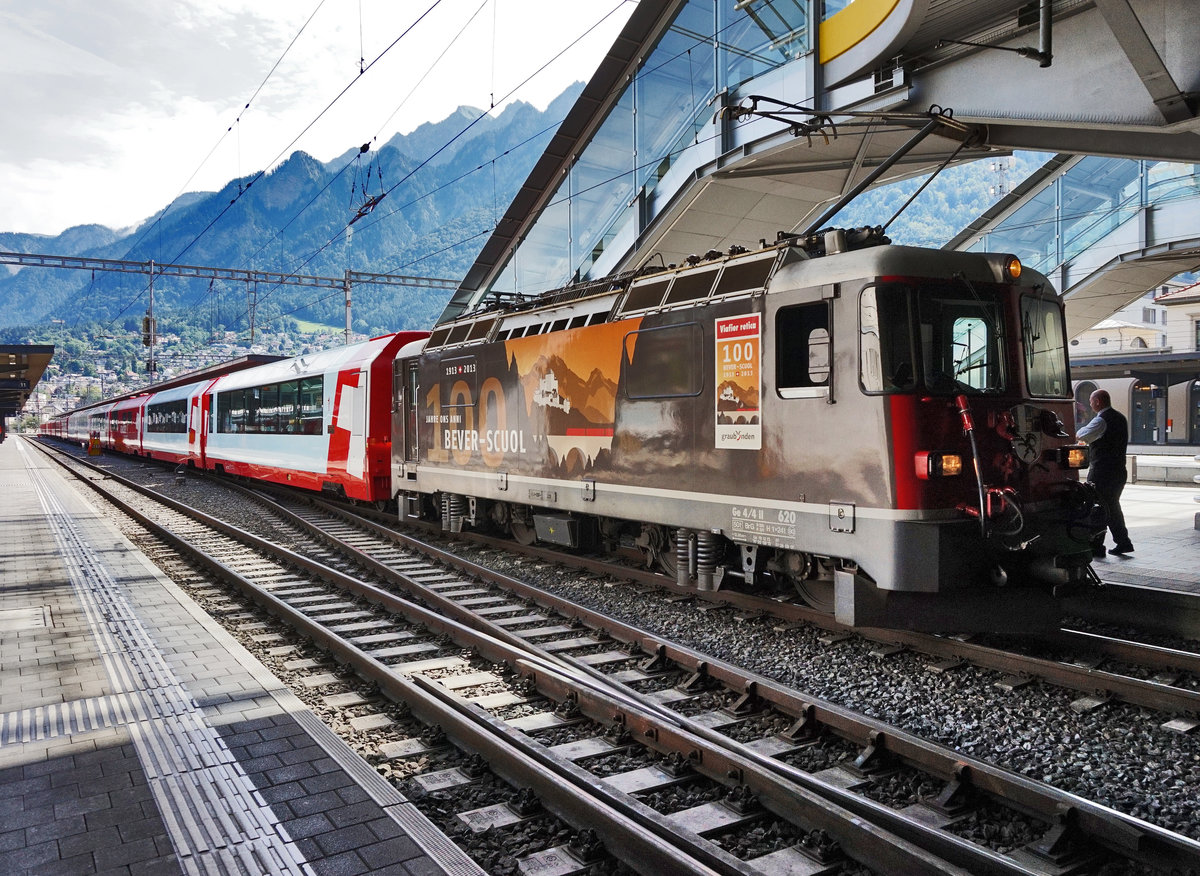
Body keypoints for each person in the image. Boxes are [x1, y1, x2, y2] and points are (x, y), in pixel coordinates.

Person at [1076, 389, 1133, 557]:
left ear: (1098, 402)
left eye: (1091, 401)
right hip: (1118, 471)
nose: (1090, 404)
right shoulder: (1120, 418)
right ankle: (1121, 542)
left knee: (1099, 508)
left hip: (1102, 472)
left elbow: (1082, 435)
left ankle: (1098, 545)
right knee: (1112, 507)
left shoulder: (1101, 420)